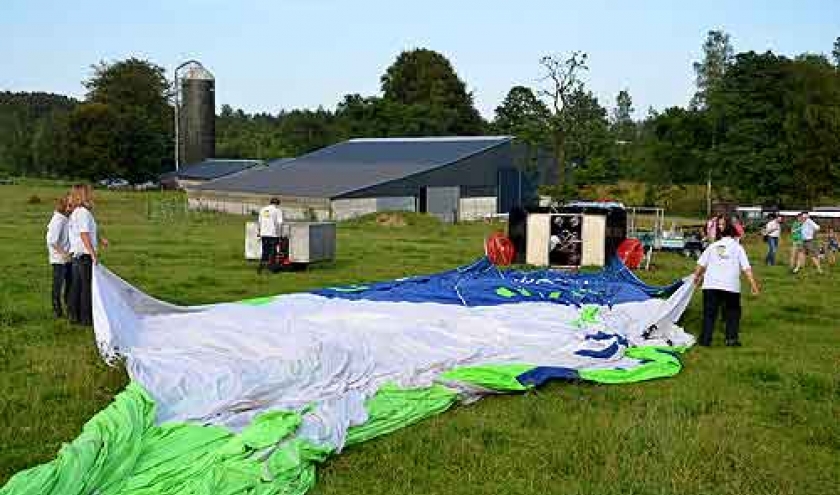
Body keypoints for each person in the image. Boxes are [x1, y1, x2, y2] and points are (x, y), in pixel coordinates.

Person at [693, 219, 760, 347]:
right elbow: (746, 268)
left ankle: (705, 340)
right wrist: (753, 285)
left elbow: (700, 264)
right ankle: (731, 339)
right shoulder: (738, 248)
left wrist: (696, 278)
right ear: (734, 233)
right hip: (731, 286)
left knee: (709, 314)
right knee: (732, 312)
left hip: (711, 284)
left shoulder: (712, 246)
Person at [67, 184, 108, 326]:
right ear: (82, 195)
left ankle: (74, 315)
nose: (91, 195)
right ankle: (86, 318)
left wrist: (99, 238)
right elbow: (84, 234)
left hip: (76, 254)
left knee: (76, 286)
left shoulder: (77, 212)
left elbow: (88, 231)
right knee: (86, 287)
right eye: (89, 193)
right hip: (84, 255)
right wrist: (93, 254)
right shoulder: (83, 213)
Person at [46, 196, 72, 318]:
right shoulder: (58, 220)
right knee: (58, 284)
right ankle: (57, 311)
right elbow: (52, 241)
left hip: (67, 258)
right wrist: (63, 254)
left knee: (69, 284)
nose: (72, 209)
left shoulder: (65, 218)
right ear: (64, 206)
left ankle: (68, 306)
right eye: (69, 206)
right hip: (59, 259)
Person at [257, 198, 284, 273]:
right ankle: (272, 269)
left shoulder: (263, 209)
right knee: (273, 252)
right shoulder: (277, 210)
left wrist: (259, 232)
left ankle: (260, 268)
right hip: (273, 234)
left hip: (264, 234)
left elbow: (259, 222)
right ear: (277, 204)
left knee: (265, 251)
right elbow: (280, 223)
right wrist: (280, 234)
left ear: (270, 202)